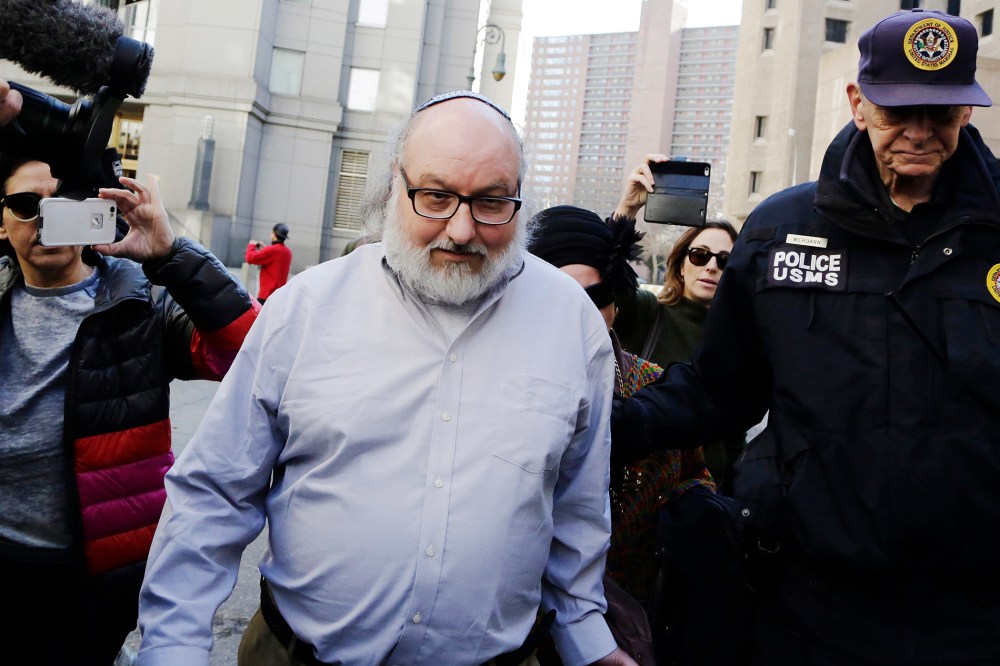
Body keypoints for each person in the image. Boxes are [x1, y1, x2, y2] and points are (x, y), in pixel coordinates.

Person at [136, 91, 636, 666]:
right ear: (392, 188)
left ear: (521, 203)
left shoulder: (572, 323)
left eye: (493, 202)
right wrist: (172, 646)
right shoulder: (306, 308)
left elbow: (577, 503)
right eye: (436, 196)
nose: (462, 228)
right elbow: (215, 493)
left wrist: (585, 638)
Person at [614, 9, 1000, 665]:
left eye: (939, 112)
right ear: (858, 102)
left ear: (966, 112)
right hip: (810, 606)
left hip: (974, 610)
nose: (918, 132)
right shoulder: (779, 230)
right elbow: (721, 390)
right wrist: (601, 426)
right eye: (896, 111)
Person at [0, 151, 259, 663]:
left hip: (91, 577)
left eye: (64, 203)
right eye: (27, 204)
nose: (45, 219)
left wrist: (171, 256)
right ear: (2, 224)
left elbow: (248, 351)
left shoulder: (142, 300)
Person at [528, 205, 715, 665]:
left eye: (597, 298)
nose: (583, 316)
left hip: (628, 627)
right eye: (563, 298)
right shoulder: (492, 392)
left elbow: (695, 480)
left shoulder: (653, 388)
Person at [611, 173, 741, 487]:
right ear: (681, 264)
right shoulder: (648, 312)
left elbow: (735, 441)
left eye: (724, 261)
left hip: (706, 505)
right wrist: (628, 207)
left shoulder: (738, 341)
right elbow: (606, 275)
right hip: (641, 495)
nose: (711, 267)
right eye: (700, 256)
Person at [245, 222, 292, 303]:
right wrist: (264, 250)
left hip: (266, 296)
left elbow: (250, 258)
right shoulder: (288, 252)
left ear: (274, 233)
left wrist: (251, 245)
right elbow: (275, 260)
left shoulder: (271, 250)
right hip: (279, 297)